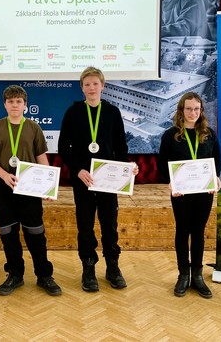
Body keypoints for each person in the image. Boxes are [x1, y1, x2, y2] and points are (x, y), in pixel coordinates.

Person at [58, 66, 139, 292]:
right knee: (85, 225)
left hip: (108, 181)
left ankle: (112, 267)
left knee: (109, 225)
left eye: (95, 83)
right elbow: (63, 147)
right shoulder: (73, 112)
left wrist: (126, 169)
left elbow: (121, 147)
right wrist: (78, 170)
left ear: (103, 86)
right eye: (87, 84)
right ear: (82, 88)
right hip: (83, 180)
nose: (91, 88)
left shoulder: (112, 112)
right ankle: (88, 268)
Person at [0, 85, 62, 296]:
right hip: (3, 187)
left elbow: (41, 157)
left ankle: (44, 275)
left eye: (18, 101)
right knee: (8, 233)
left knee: (35, 233)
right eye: (10, 101)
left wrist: (48, 186)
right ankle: (15, 274)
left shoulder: (34, 128)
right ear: (5, 105)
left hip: (30, 188)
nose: (14, 105)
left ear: (25, 105)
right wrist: (4, 175)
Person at [158, 92, 221, 299]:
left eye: (196, 109)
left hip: (204, 192)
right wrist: (170, 182)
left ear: (201, 110)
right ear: (181, 110)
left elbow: (216, 161)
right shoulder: (170, 135)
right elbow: (162, 165)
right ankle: (183, 275)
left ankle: (197, 275)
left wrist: (215, 178)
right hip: (181, 193)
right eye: (188, 109)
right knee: (182, 231)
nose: (192, 113)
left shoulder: (209, 134)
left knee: (198, 232)